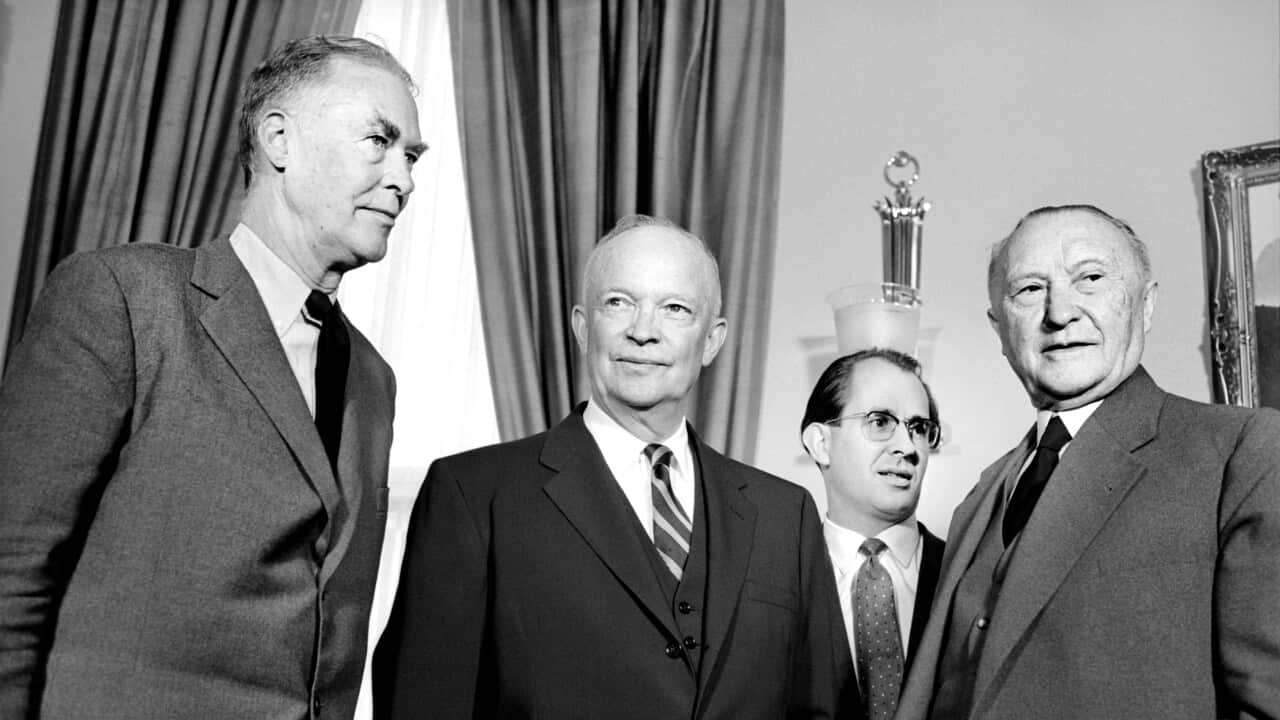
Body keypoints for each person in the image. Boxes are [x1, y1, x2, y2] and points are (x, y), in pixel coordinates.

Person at [0, 35, 425, 719]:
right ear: (279, 140)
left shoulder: (375, 381)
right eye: (379, 141)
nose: (403, 179)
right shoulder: (122, 298)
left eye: (412, 156)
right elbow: (11, 574)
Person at [374, 215, 847, 718]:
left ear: (712, 340)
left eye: (675, 309)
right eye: (619, 303)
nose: (643, 331)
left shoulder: (785, 515)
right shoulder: (473, 495)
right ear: (583, 327)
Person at [895, 204, 1280, 719]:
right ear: (999, 328)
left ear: (1145, 304)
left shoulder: (1239, 451)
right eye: (1030, 288)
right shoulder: (982, 494)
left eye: (1091, 278)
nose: (1060, 313)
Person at [799, 348, 944, 720]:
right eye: (880, 422)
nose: (907, 447)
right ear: (821, 443)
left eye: (919, 428)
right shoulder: (778, 581)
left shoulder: (967, 575)